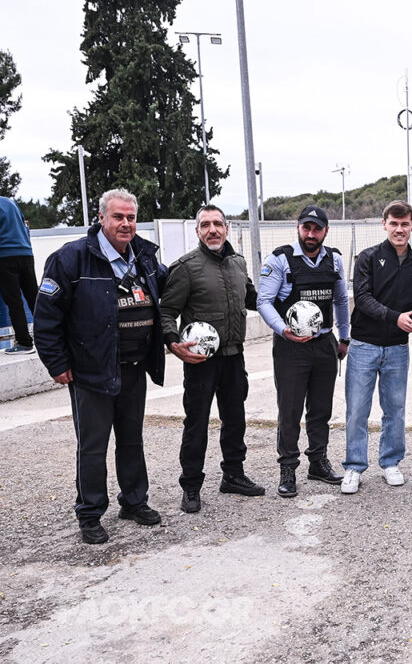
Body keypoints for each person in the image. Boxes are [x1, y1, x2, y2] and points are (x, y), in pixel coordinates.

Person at [34, 188, 166, 544]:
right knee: (93, 447)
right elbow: (46, 317)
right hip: (91, 372)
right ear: (101, 218)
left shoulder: (145, 257)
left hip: (134, 367)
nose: (126, 224)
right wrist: (56, 363)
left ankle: (134, 501)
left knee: (131, 440)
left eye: (131, 218)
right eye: (118, 217)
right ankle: (90, 514)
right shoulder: (70, 258)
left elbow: (168, 290)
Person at [161, 205, 263, 513]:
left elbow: (253, 298)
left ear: (227, 228)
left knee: (235, 419)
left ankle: (233, 475)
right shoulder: (186, 267)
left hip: (234, 356)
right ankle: (191, 485)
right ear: (197, 231)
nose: (212, 230)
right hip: (201, 362)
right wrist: (173, 342)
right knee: (197, 423)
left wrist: (283, 298)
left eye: (217, 223)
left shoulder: (238, 263)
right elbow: (167, 311)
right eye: (205, 225)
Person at [257, 205, 350, 498]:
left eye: (317, 229)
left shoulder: (335, 259)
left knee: (321, 409)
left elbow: (341, 300)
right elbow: (263, 301)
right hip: (290, 347)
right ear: (298, 228)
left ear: (326, 231)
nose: (311, 234)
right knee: (290, 410)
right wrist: (282, 329)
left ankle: (318, 462)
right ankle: (288, 468)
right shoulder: (280, 259)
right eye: (306, 228)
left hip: (324, 344)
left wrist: (344, 337)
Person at [342, 200, 412, 494]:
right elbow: (363, 299)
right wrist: (396, 318)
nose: (399, 229)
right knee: (357, 410)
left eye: (405, 224)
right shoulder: (367, 258)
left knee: (395, 409)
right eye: (394, 223)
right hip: (364, 345)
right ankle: (354, 467)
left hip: (397, 348)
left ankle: (391, 462)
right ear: (384, 225)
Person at [0, 196, 39, 355]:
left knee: (14, 302)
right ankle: (53, 338)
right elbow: (24, 226)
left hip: (4, 256)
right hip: (26, 253)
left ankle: (24, 343)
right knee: (35, 299)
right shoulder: (10, 202)